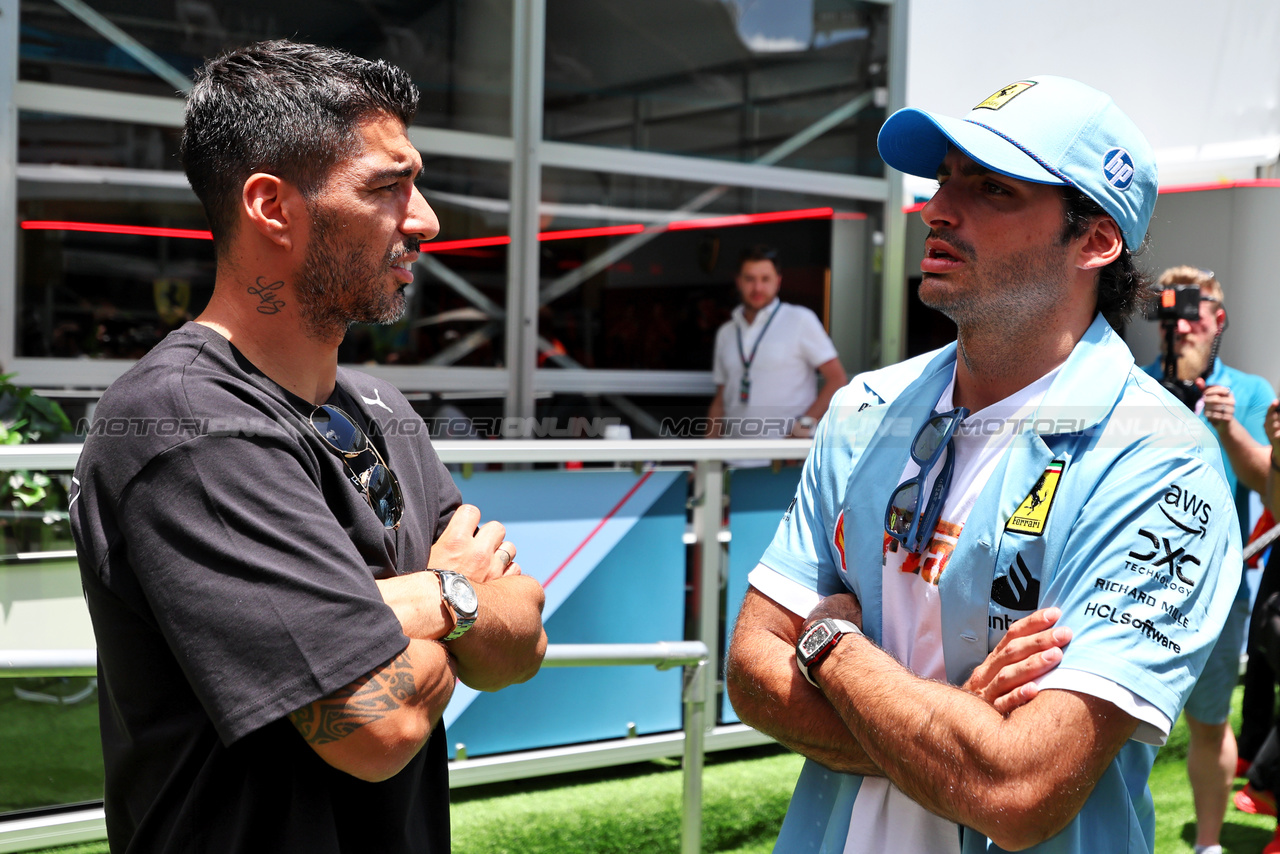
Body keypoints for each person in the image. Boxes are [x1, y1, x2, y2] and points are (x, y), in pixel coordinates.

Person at [727, 75, 1242, 854]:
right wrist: (954, 728)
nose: (938, 209)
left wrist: (832, 648)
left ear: (1096, 240)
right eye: (943, 179)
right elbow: (751, 668)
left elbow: (1020, 789)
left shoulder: (1161, 462)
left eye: (992, 188)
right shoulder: (868, 408)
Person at [68, 40, 547, 853]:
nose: (425, 219)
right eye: (388, 187)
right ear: (271, 207)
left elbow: (523, 642)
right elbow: (377, 726)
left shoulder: (382, 408)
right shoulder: (184, 423)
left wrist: (389, 610)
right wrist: (453, 596)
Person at [1140, 266, 1273, 854]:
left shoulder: (1247, 392)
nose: (1183, 324)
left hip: (1218, 592)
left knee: (1210, 723)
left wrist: (1227, 429)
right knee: (1118, 728)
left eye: (1195, 311)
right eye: (1171, 312)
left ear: (1219, 320)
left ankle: (1209, 844)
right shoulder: (1132, 386)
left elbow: (1270, 489)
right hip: (1133, 584)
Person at [706, 245, 846, 449]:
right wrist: (705, 457)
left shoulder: (800, 319)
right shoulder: (726, 332)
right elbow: (721, 398)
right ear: (739, 281)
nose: (757, 288)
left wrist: (801, 429)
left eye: (765, 279)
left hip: (786, 461)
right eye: (750, 279)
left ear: (778, 281)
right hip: (733, 458)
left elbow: (837, 380)